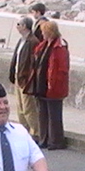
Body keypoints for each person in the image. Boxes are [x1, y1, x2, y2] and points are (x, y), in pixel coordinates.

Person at [33, 21, 69, 150]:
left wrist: (53, 83)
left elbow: (62, 69)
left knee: (54, 115)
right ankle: (44, 139)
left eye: (44, 31)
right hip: (42, 84)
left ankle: (55, 141)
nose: (42, 33)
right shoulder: (45, 45)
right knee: (43, 113)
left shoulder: (60, 47)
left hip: (54, 85)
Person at [8, 16, 40, 141]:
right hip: (18, 77)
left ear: (25, 26)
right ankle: (24, 130)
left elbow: (33, 63)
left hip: (25, 79)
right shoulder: (22, 40)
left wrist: (28, 78)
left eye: (19, 24)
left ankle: (35, 131)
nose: (17, 26)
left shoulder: (33, 42)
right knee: (20, 107)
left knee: (28, 107)